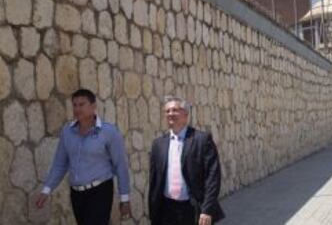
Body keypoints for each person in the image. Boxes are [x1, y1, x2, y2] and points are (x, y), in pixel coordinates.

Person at [36, 89, 131, 225]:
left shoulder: (109, 132)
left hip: (100, 192)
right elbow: (60, 164)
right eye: (74, 105)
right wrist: (47, 190)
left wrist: (124, 198)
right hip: (76, 194)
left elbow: (120, 165)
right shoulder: (67, 132)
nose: (77, 109)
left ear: (93, 106)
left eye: (82, 104)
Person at [149, 96, 225, 225]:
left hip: (193, 208)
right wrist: (153, 210)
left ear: (186, 114)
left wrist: (207, 209)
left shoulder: (201, 140)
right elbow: (154, 180)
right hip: (166, 210)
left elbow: (213, 176)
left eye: (174, 110)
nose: (170, 114)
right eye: (167, 111)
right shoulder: (158, 144)